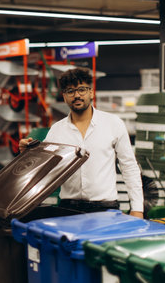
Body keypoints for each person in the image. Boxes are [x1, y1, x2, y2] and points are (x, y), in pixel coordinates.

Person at [19, 67, 143, 218]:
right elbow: (43, 171)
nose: (76, 95)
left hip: (105, 209)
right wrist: (27, 154)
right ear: (64, 97)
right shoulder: (56, 131)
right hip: (68, 209)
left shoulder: (113, 124)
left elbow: (129, 167)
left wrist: (137, 208)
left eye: (81, 89)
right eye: (70, 91)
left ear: (91, 92)